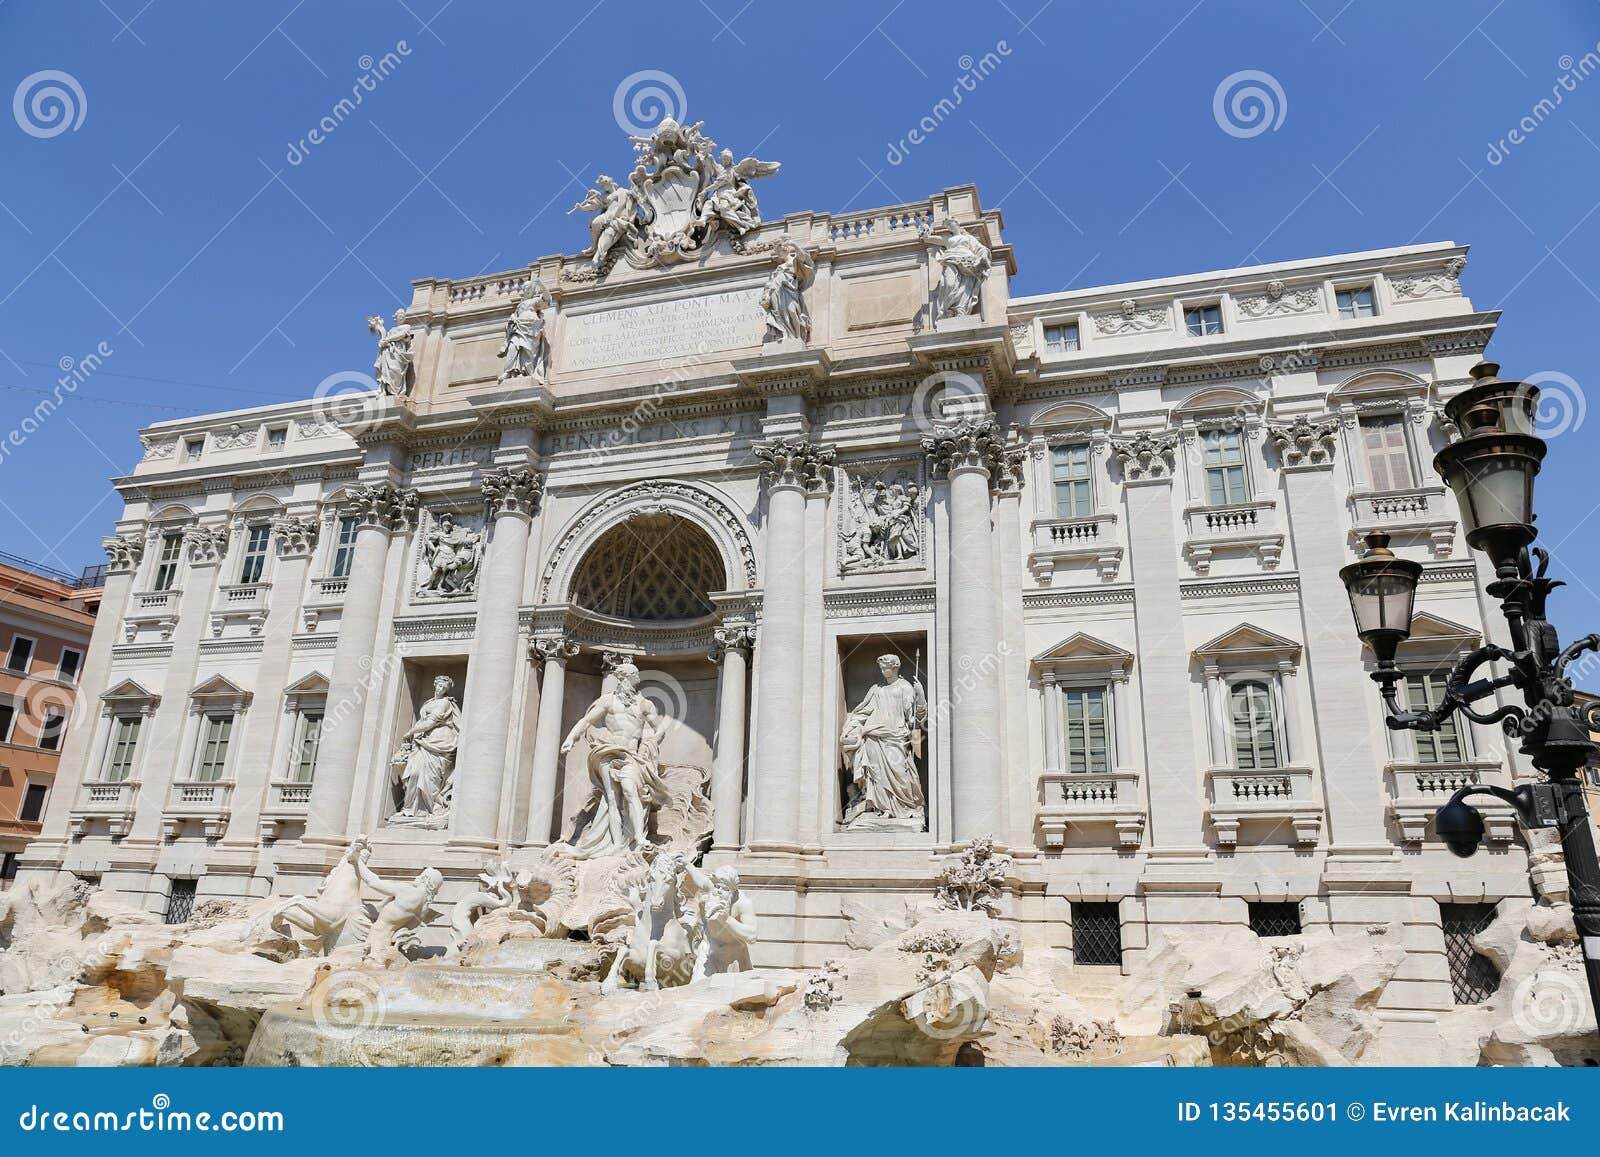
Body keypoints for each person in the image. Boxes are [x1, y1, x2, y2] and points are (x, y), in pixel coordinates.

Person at [561, 661, 670, 857]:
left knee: (630, 791)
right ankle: (616, 844)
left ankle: (638, 838)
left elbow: (660, 729)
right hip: (608, 751)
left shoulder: (645, 704)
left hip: (631, 755)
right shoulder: (608, 701)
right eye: (635, 675)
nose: (638, 678)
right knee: (611, 798)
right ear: (626, 677)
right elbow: (586, 721)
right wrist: (570, 738)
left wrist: (649, 744)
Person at [840, 654, 927, 828]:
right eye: (880, 668)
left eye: (885, 667)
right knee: (876, 775)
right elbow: (862, 713)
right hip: (873, 737)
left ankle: (904, 807)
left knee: (900, 773)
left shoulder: (905, 687)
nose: (882, 671)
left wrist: (920, 695)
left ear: (895, 667)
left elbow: (915, 720)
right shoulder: (876, 689)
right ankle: (882, 809)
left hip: (896, 737)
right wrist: (852, 729)